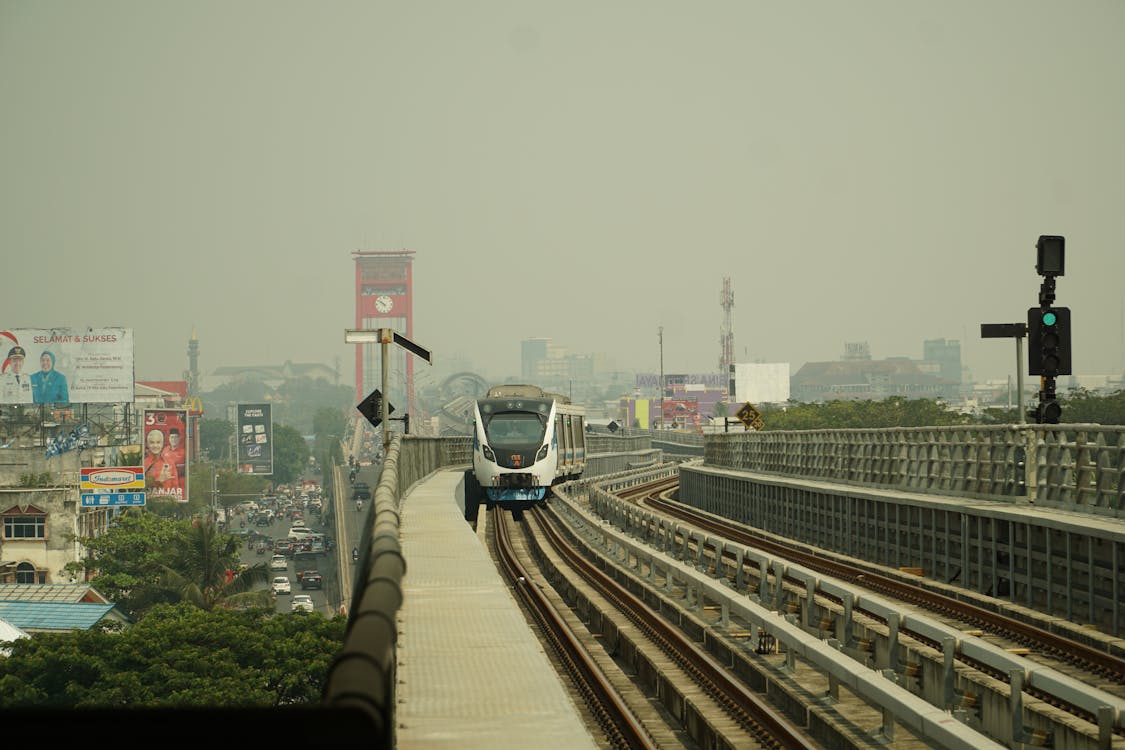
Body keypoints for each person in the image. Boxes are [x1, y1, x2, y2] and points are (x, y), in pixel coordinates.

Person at [143, 428, 179, 494]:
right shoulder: (144, 464)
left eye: (158, 442)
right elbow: (140, 488)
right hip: (150, 502)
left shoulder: (170, 463)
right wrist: (159, 481)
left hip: (168, 502)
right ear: (147, 444)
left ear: (162, 444)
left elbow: (175, 486)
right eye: (152, 442)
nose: (155, 445)